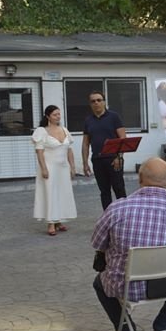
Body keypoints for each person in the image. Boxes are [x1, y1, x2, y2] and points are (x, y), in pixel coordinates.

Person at [91, 157, 166, 331]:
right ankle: (164, 327)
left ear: (140, 177)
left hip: (129, 287)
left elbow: (97, 243)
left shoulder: (117, 209)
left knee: (99, 283)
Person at [32, 105, 77, 236]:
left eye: (59, 114)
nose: (58, 116)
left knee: (62, 193)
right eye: (55, 115)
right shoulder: (42, 131)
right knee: (50, 193)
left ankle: (59, 220)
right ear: (48, 116)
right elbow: (39, 152)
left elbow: (69, 150)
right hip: (49, 167)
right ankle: (51, 222)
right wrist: (44, 169)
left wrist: (72, 167)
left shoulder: (64, 130)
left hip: (63, 168)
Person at [82, 91, 127, 210]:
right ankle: (108, 218)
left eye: (99, 100)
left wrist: (119, 157)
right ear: (90, 104)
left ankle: (124, 216)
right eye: (93, 101)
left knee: (119, 189)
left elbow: (122, 138)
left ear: (104, 102)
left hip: (114, 159)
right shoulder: (88, 120)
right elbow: (86, 143)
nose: (96, 103)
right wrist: (85, 163)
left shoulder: (114, 117)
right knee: (104, 191)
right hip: (97, 160)